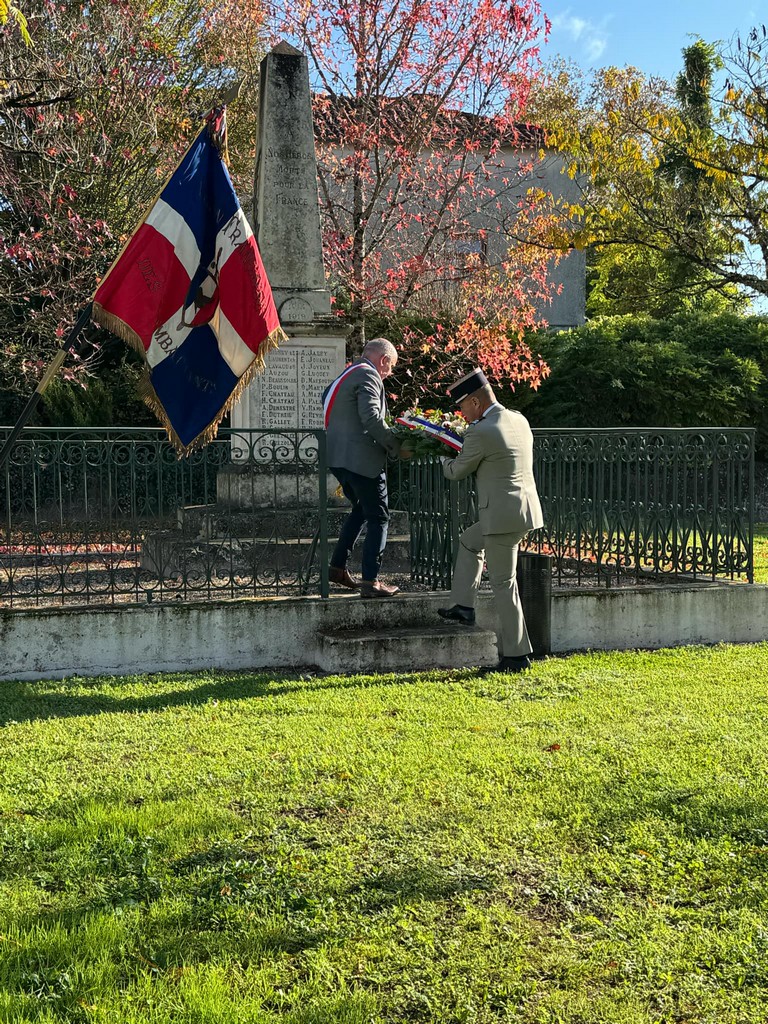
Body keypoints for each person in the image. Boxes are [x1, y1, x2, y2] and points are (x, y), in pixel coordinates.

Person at [438, 367, 543, 672]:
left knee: (504, 584)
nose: (462, 413)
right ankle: (463, 606)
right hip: (523, 510)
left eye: (462, 406)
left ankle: (516, 656)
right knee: (469, 542)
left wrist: (440, 454)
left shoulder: (481, 431)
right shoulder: (519, 419)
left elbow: (457, 471)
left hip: (501, 519)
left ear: (475, 402)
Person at [322, 337, 404, 598]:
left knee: (360, 510)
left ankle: (337, 568)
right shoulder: (368, 375)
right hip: (362, 461)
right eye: (390, 367)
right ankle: (371, 581)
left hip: (337, 459)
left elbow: (328, 401)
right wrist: (396, 445)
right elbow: (370, 417)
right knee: (379, 517)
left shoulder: (347, 374)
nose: (389, 373)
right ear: (384, 360)